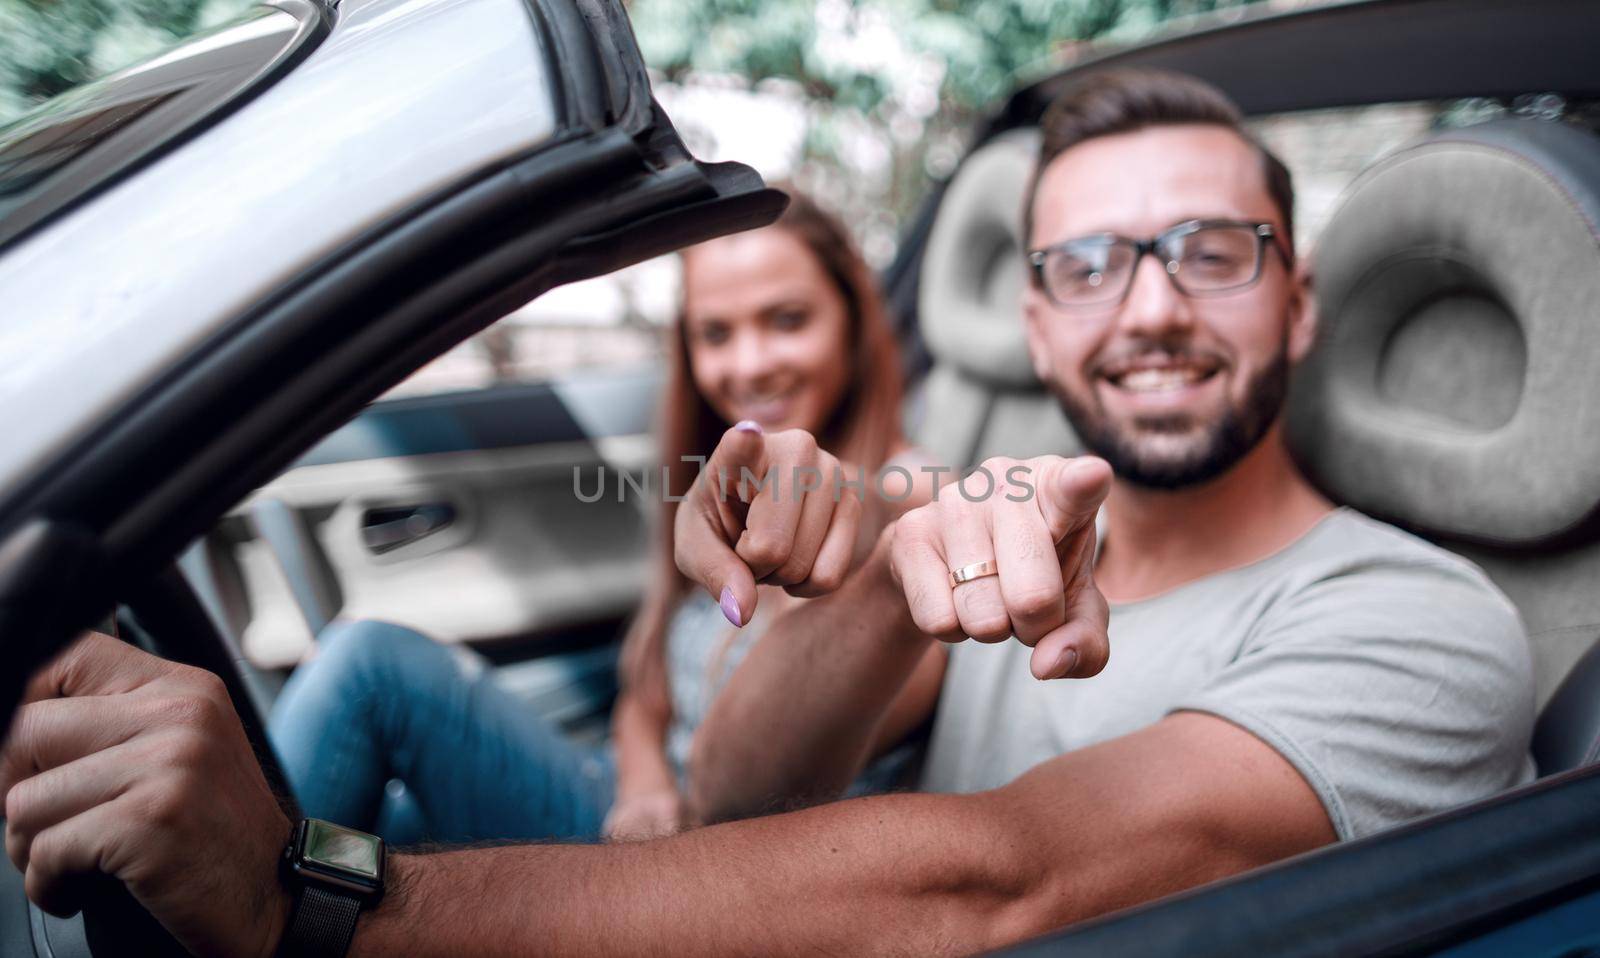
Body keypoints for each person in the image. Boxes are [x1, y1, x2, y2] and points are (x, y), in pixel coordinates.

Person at [1, 69, 1536, 957]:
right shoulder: (995, 524)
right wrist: (873, 585)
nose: (1147, 308)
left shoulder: (1417, 616)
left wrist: (324, 893)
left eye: (1212, 249)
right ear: (1039, 318)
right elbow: (739, 790)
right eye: (1088, 263)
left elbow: (990, 881)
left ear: (1303, 293)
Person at [265, 189, 944, 845]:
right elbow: (647, 694)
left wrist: (853, 504)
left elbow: (906, 501)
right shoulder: (714, 480)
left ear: (852, 319)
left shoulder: (913, 495)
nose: (749, 365)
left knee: (369, 668)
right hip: (632, 805)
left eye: (787, 319)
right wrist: (644, 784)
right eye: (715, 333)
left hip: (724, 876)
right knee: (389, 821)